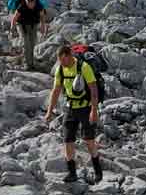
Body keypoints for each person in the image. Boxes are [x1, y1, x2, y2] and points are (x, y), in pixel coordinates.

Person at [43, 40, 104, 184]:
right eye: (60, 61)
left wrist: (94, 111)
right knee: (67, 140)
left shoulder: (84, 67)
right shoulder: (60, 69)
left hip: (86, 108)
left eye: (64, 60)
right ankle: (72, 173)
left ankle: (97, 171)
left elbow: (94, 89)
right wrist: (49, 111)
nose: (62, 63)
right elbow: (56, 91)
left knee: (89, 140)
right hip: (70, 108)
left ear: (70, 55)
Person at [6, 0, 50, 70]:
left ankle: (31, 62)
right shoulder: (22, 6)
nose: (30, 6)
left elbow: (42, 16)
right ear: (26, 1)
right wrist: (12, 29)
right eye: (29, 4)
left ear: (34, 1)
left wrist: (43, 27)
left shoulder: (38, 5)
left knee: (32, 43)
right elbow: (14, 18)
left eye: (32, 4)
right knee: (26, 43)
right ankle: (27, 64)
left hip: (33, 24)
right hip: (21, 25)